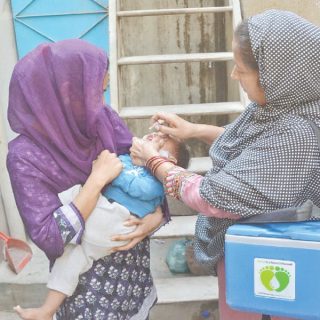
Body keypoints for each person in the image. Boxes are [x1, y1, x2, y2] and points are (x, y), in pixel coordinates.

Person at [130, 10, 320, 320]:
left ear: (274, 74)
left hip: (273, 264)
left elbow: (213, 197)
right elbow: (261, 153)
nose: (234, 75)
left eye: (242, 69)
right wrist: (193, 131)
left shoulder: (298, 133)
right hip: (252, 254)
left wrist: (156, 163)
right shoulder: (278, 108)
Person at [6, 39, 168, 320]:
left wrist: (158, 215)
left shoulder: (103, 119)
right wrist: (95, 182)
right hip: (88, 299)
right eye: (95, 92)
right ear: (66, 93)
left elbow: (144, 173)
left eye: (101, 91)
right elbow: (51, 238)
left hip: (133, 281)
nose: (100, 102)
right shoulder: (25, 157)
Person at [13, 134, 189, 320]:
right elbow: (111, 162)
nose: (151, 137)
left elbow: (140, 187)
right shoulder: (24, 156)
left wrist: (106, 173)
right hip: (96, 246)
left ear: (168, 161)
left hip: (115, 226)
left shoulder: (155, 181)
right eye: (150, 136)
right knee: (68, 263)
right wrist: (108, 168)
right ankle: (47, 310)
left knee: (75, 245)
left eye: (159, 142)